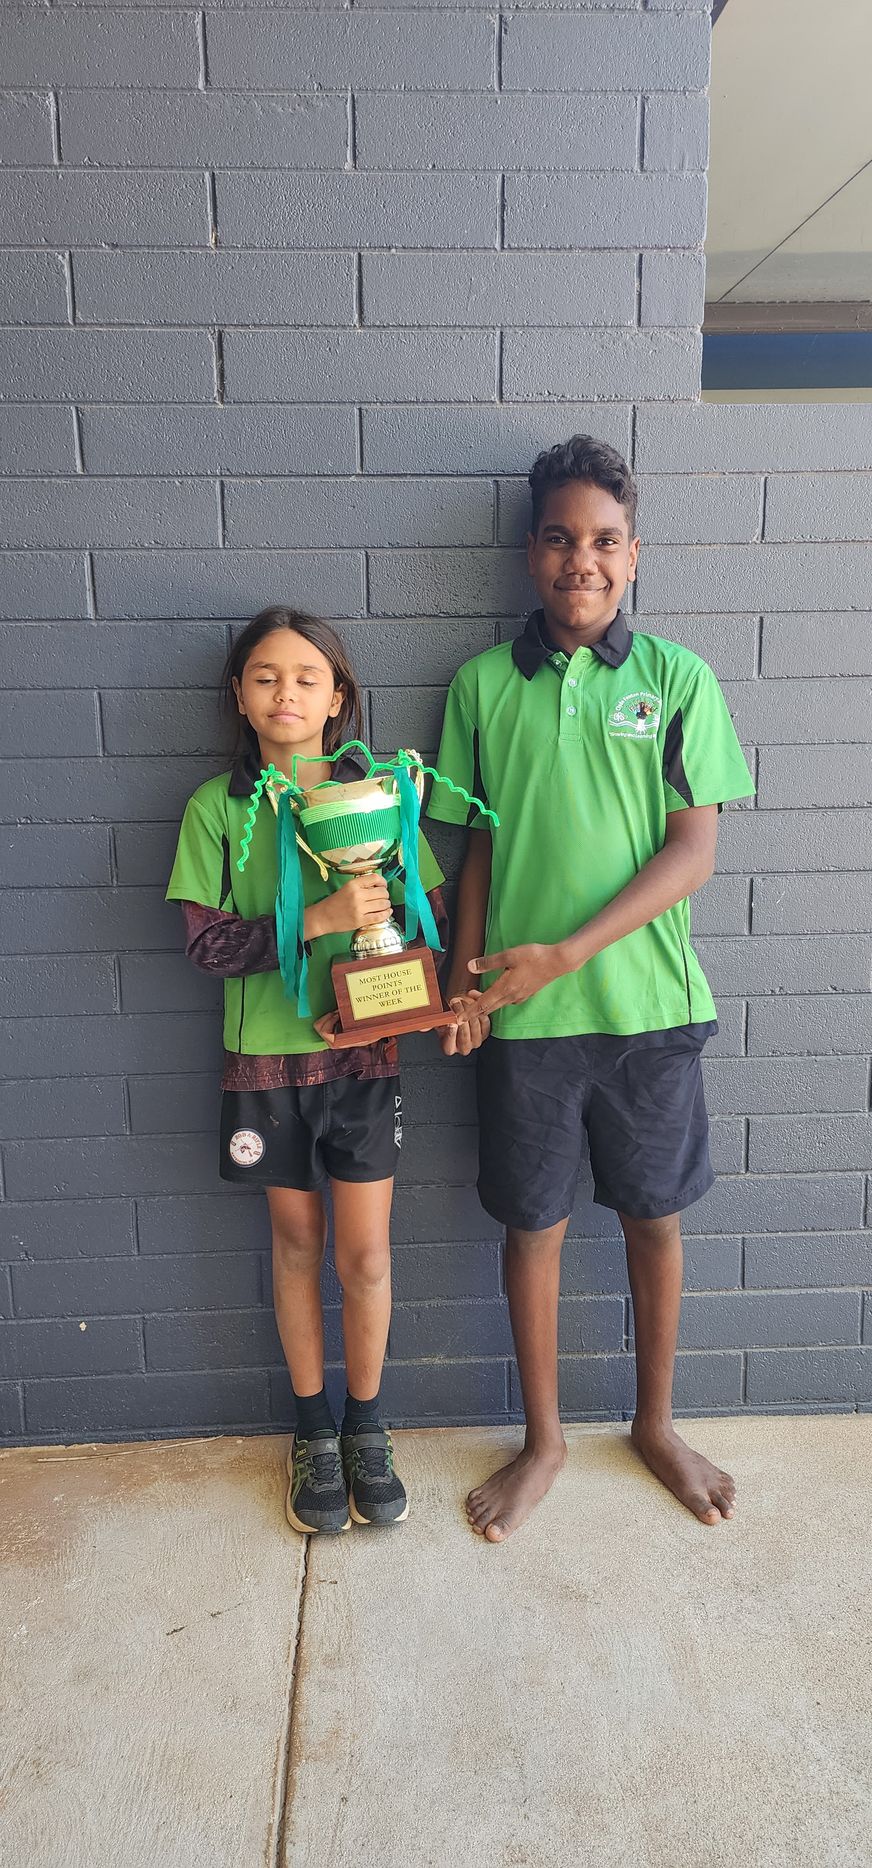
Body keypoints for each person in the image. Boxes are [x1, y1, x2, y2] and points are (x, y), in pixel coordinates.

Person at [427, 436, 755, 1542]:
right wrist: (462, 986)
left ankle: (655, 1422)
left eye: (604, 541)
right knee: (532, 1227)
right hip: (522, 1022)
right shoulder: (479, 685)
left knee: (652, 1220)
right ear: (531, 553)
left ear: (632, 554)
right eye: (562, 538)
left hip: (647, 1015)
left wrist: (563, 951)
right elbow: (470, 849)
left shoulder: (674, 678)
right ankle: (546, 1437)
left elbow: (690, 853)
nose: (583, 559)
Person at [167, 606, 455, 1536]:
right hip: (265, 1064)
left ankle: (369, 1425)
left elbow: (426, 910)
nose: (285, 692)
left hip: (365, 1055)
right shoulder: (217, 807)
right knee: (296, 1250)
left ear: (340, 697)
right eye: (264, 677)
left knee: (363, 1253)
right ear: (239, 698)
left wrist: (404, 939)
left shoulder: (379, 795)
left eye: (305, 677)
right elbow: (207, 947)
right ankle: (312, 1431)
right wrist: (313, 922)